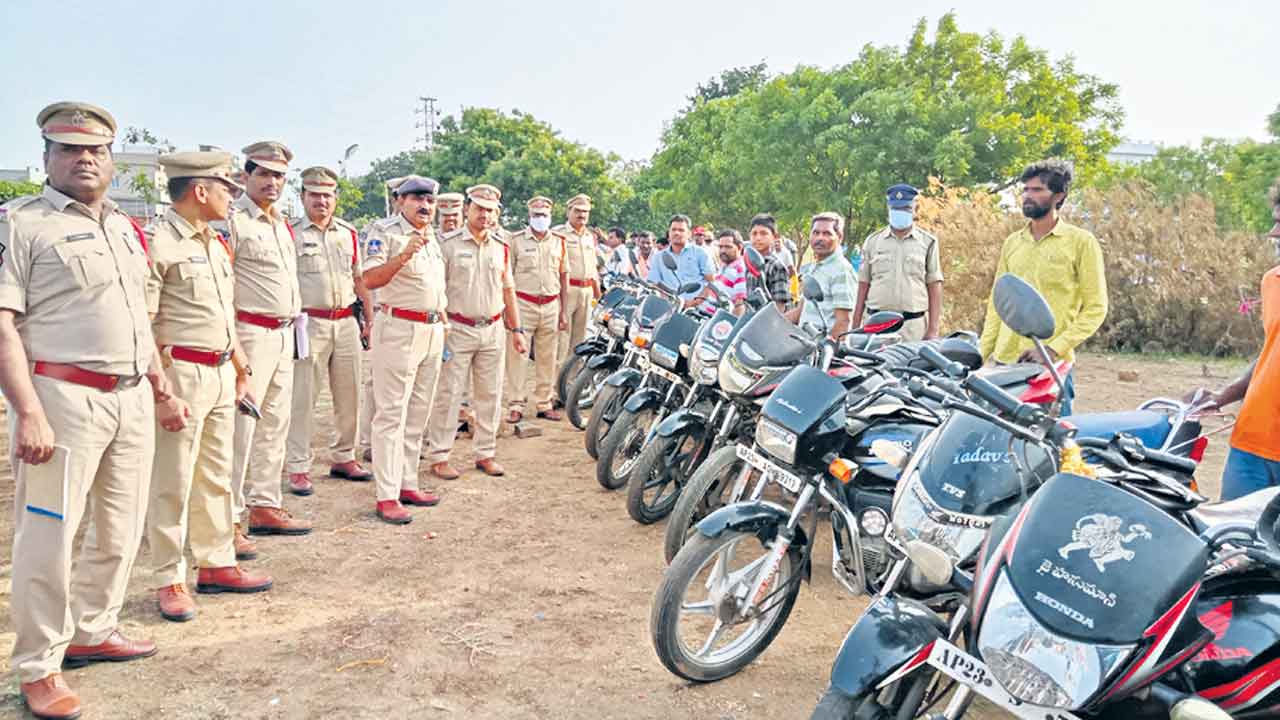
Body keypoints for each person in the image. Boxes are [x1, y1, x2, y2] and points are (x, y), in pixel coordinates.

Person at [0, 101, 181, 720]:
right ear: (47, 156)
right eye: (70, 149)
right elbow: (4, 326)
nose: (84, 159)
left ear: (110, 160)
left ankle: (94, 628)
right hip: (61, 398)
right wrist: (27, 411)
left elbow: (139, 319)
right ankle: (38, 665)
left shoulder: (126, 229)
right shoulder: (20, 225)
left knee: (122, 525)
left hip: (129, 396)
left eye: (96, 150)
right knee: (48, 534)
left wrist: (161, 386)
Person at [145, 151, 273, 624]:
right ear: (200, 191)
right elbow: (146, 323)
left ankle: (217, 562)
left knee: (216, 474)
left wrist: (241, 367)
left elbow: (223, 313)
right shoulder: (160, 244)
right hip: (181, 372)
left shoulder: (214, 244)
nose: (230, 197)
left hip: (221, 372)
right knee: (173, 480)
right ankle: (168, 576)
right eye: (225, 188)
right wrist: (161, 389)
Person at [228, 141, 312, 540]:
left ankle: (265, 504)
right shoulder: (232, 221)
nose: (272, 182)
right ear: (245, 177)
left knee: (275, 424)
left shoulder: (280, 223)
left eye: (279, 175)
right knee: (240, 429)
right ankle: (228, 519)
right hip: (249, 332)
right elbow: (220, 285)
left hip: (283, 334)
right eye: (263, 173)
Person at [978, 159, 1107, 416]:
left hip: (1049, 369)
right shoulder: (1013, 243)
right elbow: (998, 303)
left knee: (1055, 450)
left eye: (1037, 190)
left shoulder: (1081, 242)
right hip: (1004, 366)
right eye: (1025, 189)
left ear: (1059, 196)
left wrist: (1051, 349)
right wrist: (982, 355)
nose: (1027, 196)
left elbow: (1096, 308)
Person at [361, 175, 448, 524]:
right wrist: (402, 255)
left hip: (431, 329)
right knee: (391, 414)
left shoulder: (433, 238)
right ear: (399, 200)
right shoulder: (385, 233)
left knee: (418, 413)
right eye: (416, 199)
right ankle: (386, 494)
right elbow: (369, 280)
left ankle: (408, 480)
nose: (425, 206)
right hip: (398, 329)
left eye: (429, 200)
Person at [424, 184, 526, 479]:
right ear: (467, 208)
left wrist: (516, 329)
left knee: (491, 395)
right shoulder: (449, 244)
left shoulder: (501, 246)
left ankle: (485, 453)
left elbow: (509, 290)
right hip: (457, 328)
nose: (484, 215)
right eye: (479, 208)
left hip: (493, 328)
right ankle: (440, 455)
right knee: (449, 394)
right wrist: (442, 325)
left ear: (497, 214)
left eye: (490, 210)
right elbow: (436, 289)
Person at [285, 167, 374, 495]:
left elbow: (359, 278)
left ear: (336, 197)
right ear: (302, 197)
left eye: (327, 194)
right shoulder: (289, 232)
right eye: (314, 194)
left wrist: (368, 318)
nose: (321, 200)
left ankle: (343, 456)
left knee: (349, 394)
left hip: (347, 321)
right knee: (303, 397)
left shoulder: (348, 233)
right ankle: (298, 466)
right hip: (309, 323)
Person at [1188, 185, 1280, 499]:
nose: (1273, 233)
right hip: (1251, 444)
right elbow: (1271, 352)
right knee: (1234, 540)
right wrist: (1223, 395)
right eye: (1275, 221)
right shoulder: (1273, 281)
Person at [504, 196, 568, 423]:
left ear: (551, 217)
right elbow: (507, 277)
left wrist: (563, 311)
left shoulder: (559, 242)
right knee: (517, 357)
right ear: (529, 216)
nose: (540, 219)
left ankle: (544, 402)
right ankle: (516, 404)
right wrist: (508, 313)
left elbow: (563, 277)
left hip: (551, 304)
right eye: (536, 215)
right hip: (523, 304)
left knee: (547, 357)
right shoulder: (516, 241)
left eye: (544, 215)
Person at [852, 184, 944, 341]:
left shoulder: (928, 242)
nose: (900, 213)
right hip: (876, 324)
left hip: (913, 326)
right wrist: (855, 326)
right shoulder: (873, 241)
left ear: (915, 210)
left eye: (906, 209)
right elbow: (863, 284)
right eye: (896, 209)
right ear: (888, 210)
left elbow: (934, 285)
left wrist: (933, 329)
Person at [554, 194, 599, 401]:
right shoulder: (558, 234)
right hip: (567, 291)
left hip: (587, 291)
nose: (581, 215)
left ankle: (569, 389)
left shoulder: (590, 237)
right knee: (562, 342)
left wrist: (599, 295)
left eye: (585, 212)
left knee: (580, 343)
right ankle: (555, 391)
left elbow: (594, 269)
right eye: (577, 211)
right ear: (568, 212)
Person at [788, 212, 855, 337]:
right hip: (805, 347)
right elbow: (801, 310)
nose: (820, 238)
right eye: (816, 233)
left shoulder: (841, 270)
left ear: (839, 237)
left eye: (827, 233)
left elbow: (843, 322)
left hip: (823, 351)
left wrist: (826, 350)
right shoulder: (815, 266)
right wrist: (772, 324)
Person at [647, 214, 714, 301]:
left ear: (689, 234)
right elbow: (654, 284)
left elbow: (711, 282)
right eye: (673, 230)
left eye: (681, 230)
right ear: (669, 232)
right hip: (669, 307)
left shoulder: (701, 253)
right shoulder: (658, 257)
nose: (676, 233)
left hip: (697, 309)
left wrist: (695, 302)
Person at [687, 229, 748, 315]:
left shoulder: (740, 269)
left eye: (728, 247)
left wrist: (730, 325)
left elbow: (740, 304)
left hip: (714, 321)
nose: (723, 251)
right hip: (700, 315)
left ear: (739, 247)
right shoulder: (725, 266)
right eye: (721, 247)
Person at [746, 213, 792, 311]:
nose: (758, 238)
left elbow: (780, 307)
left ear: (774, 237)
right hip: (750, 321)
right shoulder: (750, 262)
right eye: (754, 233)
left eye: (763, 233)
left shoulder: (776, 266)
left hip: (768, 321)